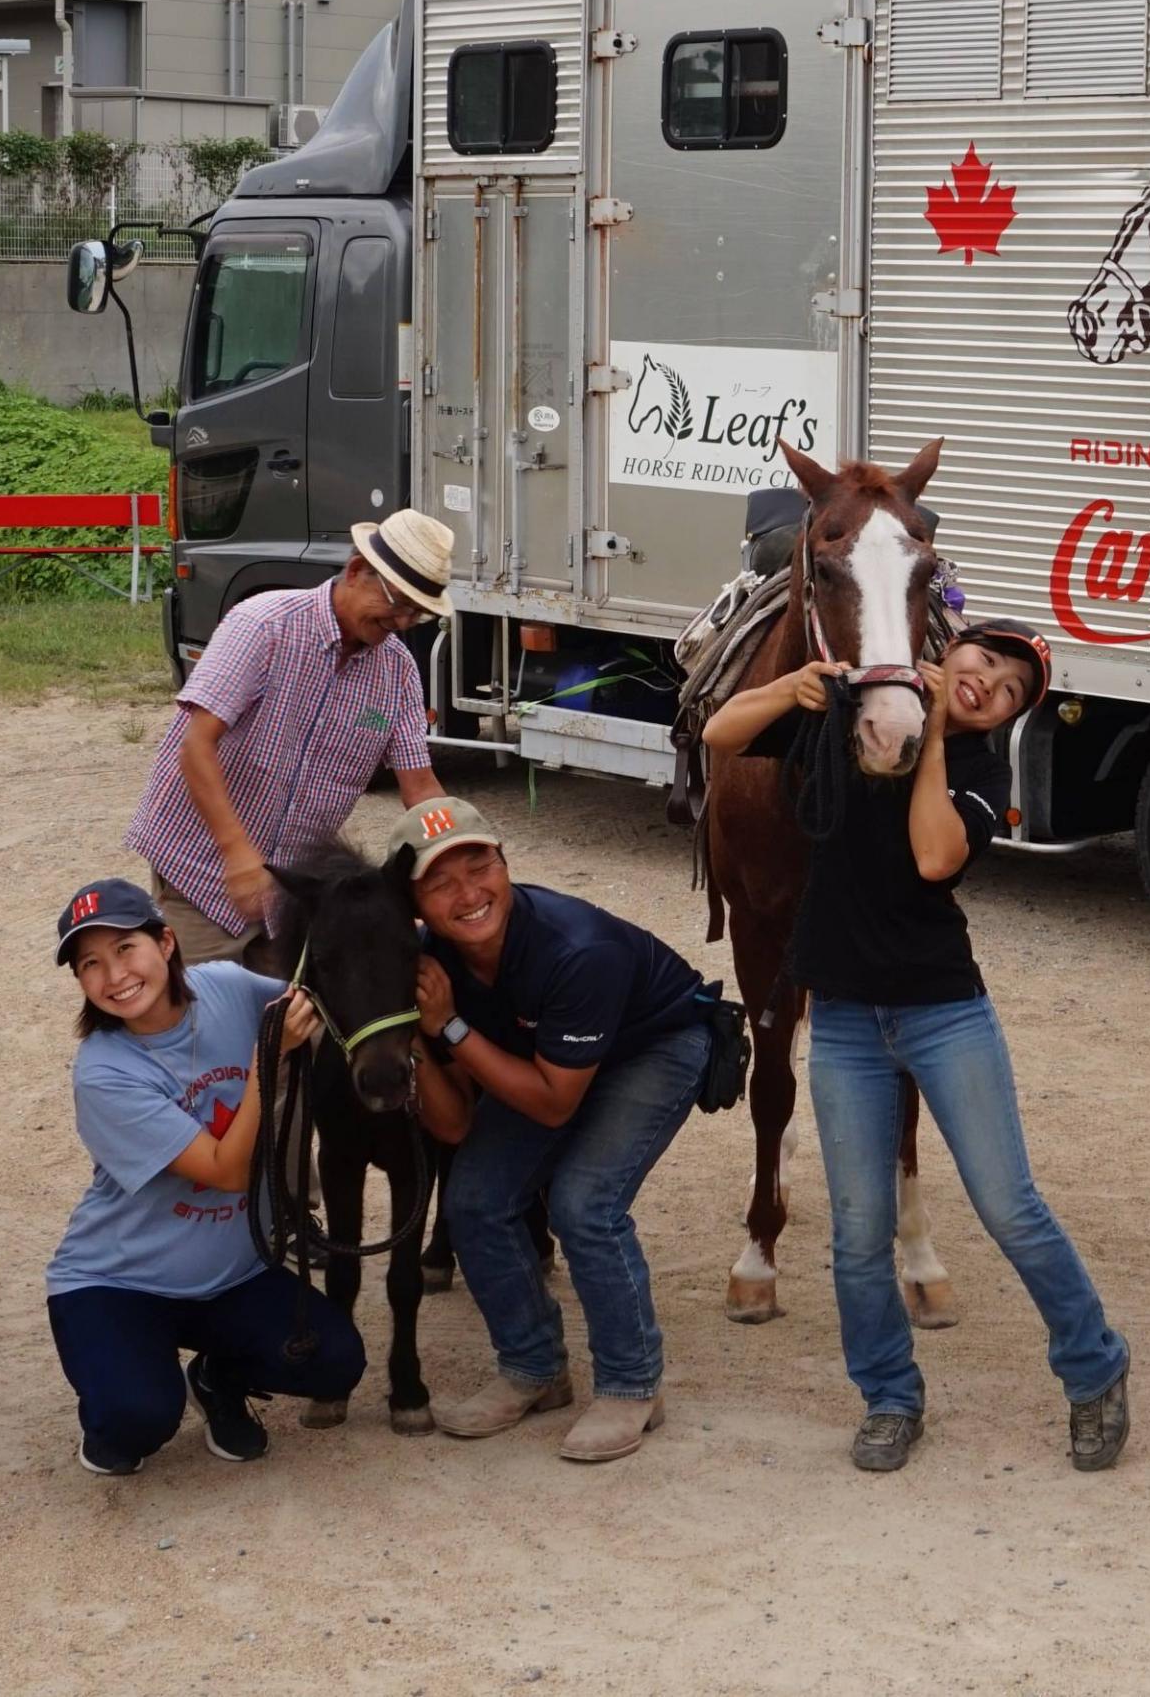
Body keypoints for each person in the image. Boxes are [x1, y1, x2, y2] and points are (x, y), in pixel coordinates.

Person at [697, 618, 1132, 1475]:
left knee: (1010, 1206)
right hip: (850, 1020)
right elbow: (719, 734)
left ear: (1005, 718)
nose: (989, 683)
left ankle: (1095, 1368)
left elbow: (934, 856)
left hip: (941, 1011)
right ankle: (890, 1397)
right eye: (985, 660)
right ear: (950, 650)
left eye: (1010, 690)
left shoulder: (978, 768)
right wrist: (790, 689)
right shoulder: (846, 711)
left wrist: (929, 730)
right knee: (858, 1234)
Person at [401, 797, 715, 1463]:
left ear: (505, 865)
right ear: (416, 905)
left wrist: (449, 1027)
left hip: (652, 1046)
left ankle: (633, 1385)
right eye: (441, 882)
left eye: (479, 866)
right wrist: (419, 1037)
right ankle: (533, 1367)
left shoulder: (576, 950)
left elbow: (550, 1105)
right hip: (547, 1059)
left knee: (584, 1205)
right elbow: (454, 1127)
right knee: (473, 1201)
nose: (469, 893)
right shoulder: (431, 965)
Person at [45, 879, 365, 1474]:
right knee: (136, 1420)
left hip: (231, 1275)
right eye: (90, 963)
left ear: (166, 942)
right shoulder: (103, 1072)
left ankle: (218, 1377)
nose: (113, 976)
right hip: (120, 1280)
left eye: (125, 949)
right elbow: (227, 1172)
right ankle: (127, 1390)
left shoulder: (227, 987)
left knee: (336, 1360)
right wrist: (266, 1059)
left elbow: (321, 994)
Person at [125, 512, 453, 963]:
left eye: (417, 613)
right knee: (209, 1018)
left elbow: (420, 790)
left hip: (291, 890)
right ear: (356, 571)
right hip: (202, 870)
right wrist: (237, 854)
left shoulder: (397, 672)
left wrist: (462, 852)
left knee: (289, 1021)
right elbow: (195, 746)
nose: (402, 620)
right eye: (397, 601)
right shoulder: (264, 625)